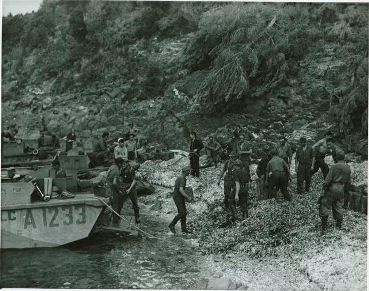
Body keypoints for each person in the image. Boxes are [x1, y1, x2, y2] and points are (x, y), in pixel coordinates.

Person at [319, 149, 351, 234]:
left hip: (332, 188)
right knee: (338, 205)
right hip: (341, 188)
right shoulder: (347, 167)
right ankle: (338, 225)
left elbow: (327, 180)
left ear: (336, 158)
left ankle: (324, 227)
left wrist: (323, 189)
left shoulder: (334, 167)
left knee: (325, 205)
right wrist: (346, 192)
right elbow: (348, 182)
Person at [169, 167, 193, 234]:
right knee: (182, 212)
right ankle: (172, 224)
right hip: (178, 197)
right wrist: (188, 197)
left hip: (179, 196)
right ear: (185, 171)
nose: (189, 172)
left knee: (184, 213)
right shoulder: (182, 178)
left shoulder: (181, 177)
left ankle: (184, 229)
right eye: (188, 171)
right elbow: (181, 190)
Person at [117, 160, 140, 224]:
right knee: (120, 203)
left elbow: (134, 180)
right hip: (124, 186)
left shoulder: (131, 169)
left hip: (131, 187)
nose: (123, 165)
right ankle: (117, 217)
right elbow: (120, 178)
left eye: (124, 164)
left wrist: (129, 189)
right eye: (122, 164)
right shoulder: (121, 169)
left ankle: (137, 217)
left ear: (127, 164)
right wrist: (121, 187)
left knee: (135, 203)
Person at [230, 152, 251, 220]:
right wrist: (247, 189)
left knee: (230, 200)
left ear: (236, 165)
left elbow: (237, 184)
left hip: (239, 188)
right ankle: (245, 216)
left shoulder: (236, 172)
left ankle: (235, 215)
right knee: (244, 202)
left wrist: (236, 194)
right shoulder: (244, 171)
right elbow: (248, 181)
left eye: (234, 165)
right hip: (245, 188)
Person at [106, 158, 124, 226]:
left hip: (107, 187)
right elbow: (114, 182)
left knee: (110, 204)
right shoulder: (116, 170)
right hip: (112, 189)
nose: (122, 165)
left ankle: (110, 219)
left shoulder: (112, 167)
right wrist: (119, 190)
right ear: (119, 163)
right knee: (115, 205)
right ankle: (115, 222)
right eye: (122, 164)